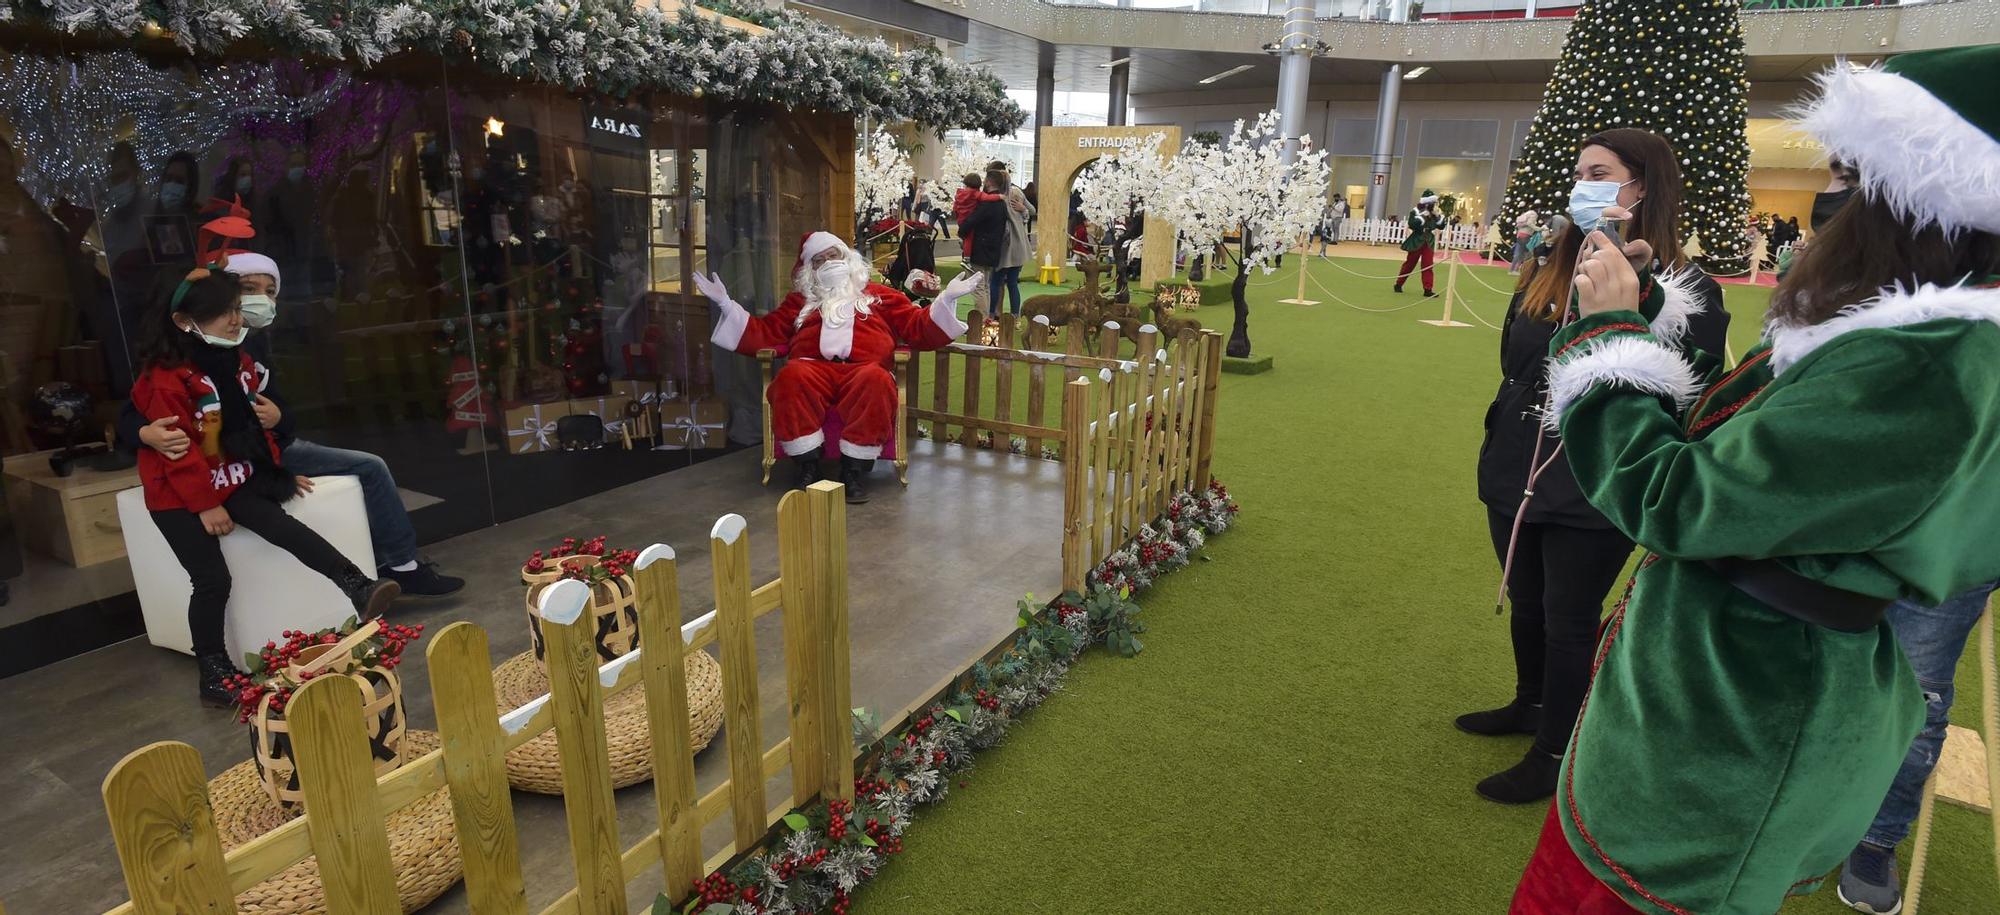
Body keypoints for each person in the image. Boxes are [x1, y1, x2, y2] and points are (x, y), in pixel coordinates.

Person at [1509, 46, 2000, 914]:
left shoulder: (1928, 366)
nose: (1833, 203)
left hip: (1741, 713)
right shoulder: (1918, 341)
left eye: (1854, 175)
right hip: (1729, 692)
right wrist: (1647, 312)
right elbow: (1760, 435)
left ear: (1928, 194)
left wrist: (1608, 336)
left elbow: (1680, 497)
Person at [1466, 128, 1730, 807]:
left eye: (1600, 171)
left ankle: (1558, 749)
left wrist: (1635, 306)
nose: (1581, 182)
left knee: (1569, 616)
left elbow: (1692, 386)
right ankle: (1529, 705)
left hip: (1596, 479)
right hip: (1516, 466)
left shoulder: (1683, 287)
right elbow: (1514, 356)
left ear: (1641, 186)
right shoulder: (1555, 259)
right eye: (1579, 171)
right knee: (1525, 600)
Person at [120, 249, 465, 598]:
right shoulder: (177, 356)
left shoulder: (249, 346)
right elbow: (142, 414)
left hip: (267, 450)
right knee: (220, 573)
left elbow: (283, 412)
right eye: (248, 289)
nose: (255, 303)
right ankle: (376, 573)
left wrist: (279, 417)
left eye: (269, 292)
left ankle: (386, 571)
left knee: (367, 469)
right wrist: (143, 433)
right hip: (228, 466)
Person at [131, 263, 401, 707]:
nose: (236, 320)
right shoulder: (165, 378)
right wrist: (204, 506)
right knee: (211, 579)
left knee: (279, 524)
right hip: (178, 495)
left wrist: (272, 473)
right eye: (224, 313)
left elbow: (252, 428)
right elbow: (177, 452)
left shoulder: (232, 360)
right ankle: (213, 672)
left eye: (236, 309)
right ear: (184, 322)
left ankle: (357, 585)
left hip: (228, 476)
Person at [696, 232, 981, 502]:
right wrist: (725, 303)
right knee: (790, 377)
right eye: (819, 260)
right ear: (809, 269)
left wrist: (947, 299)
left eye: (834, 256)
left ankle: (853, 470)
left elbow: (917, 326)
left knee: (876, 381)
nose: (828, 264)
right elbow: (765, 332)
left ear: (848, 259)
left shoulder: (881, 296)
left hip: (863, 368)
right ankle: (807, 466)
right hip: (812, 368)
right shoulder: (800, 302)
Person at [959, 170, 1015, 317]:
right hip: (994, 250)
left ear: (989, 182)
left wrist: (962, 232)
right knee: (986, 286)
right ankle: (987, 318)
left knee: (978, 287)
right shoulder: (1002, 204)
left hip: (979, 250)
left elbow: (971, 222)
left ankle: (981, 321)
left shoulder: (987, 204)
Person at [991, 168, 1034, 316]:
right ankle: (1015, 316)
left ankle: (992, 314)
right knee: (1012, 282)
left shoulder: (1000, 197)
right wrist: (1023, 210)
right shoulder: (1017, 193)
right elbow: (1032, 210)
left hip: (1005, 246)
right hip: (1019, 246)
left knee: (995, 281)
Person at [1393, 190, 1445, 296]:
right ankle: (1399, 284)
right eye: (1431, 203)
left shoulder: (1435, 211)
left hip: (1428, 241)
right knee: (1409, 264)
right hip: (1417, 239)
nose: (1433, 205)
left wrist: (1438, 216)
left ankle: (1428, 289)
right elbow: (1412, 224)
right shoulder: (1416, 211)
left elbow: (1441, 226)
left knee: (1428, 265)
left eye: (1434, 203)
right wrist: (1423, 217)